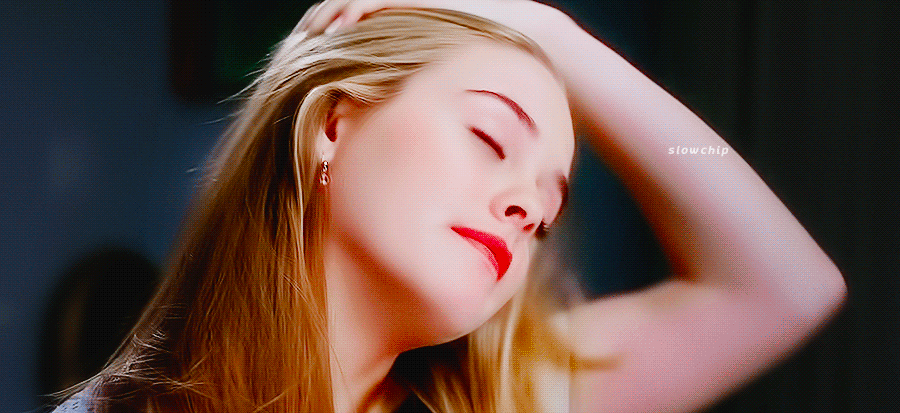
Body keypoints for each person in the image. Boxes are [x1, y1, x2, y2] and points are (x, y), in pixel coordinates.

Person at [48, 1, 847, 412]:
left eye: (548, 211)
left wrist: (548, 31)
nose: (526, 207)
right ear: (333, 124)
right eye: (491, 138)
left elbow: (788, 283)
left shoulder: (497, 400)